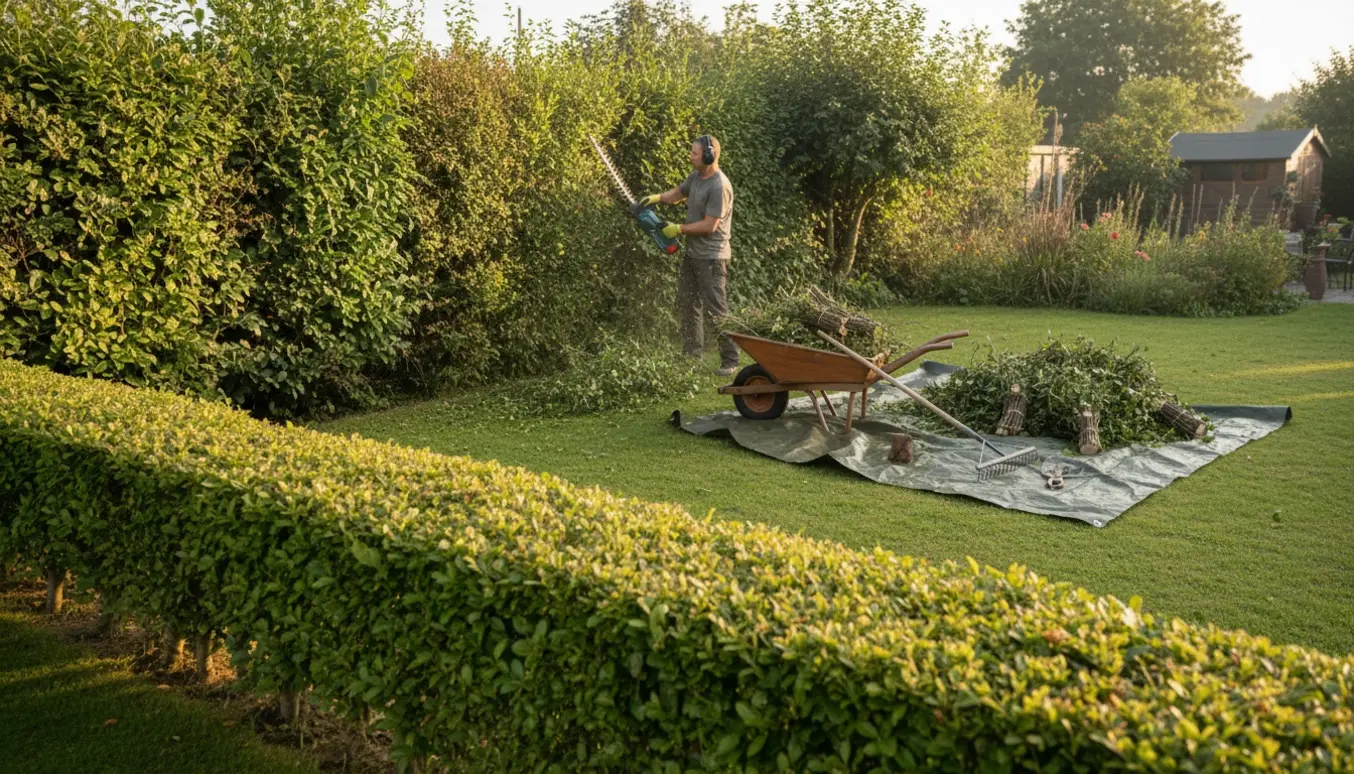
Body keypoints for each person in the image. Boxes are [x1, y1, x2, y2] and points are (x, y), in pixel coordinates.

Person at [637, 135, 739, 376]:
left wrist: (678, 229)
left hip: (713, 257)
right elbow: (677, 193)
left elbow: (709, 226)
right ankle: (692, 357)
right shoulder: (696, 177)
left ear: (708, 155)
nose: (690, 156)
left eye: (694, 153)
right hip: (693, 254)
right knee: (688, 303)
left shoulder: (719, 185)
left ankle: (731, 359)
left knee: (716, 309)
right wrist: (656, 198)